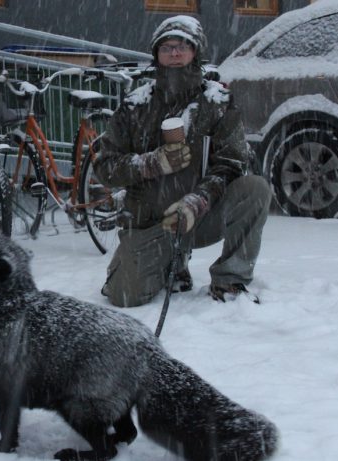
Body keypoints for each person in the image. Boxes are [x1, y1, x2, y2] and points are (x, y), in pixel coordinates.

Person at [94, 16, 270, 308]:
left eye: (182, 46)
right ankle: (172, 265)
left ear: (195, 52)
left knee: (255, 189)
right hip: (151, 221)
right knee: (124, 295)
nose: (174, 53)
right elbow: (105, 167)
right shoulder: (135, 105)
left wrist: (197, 201)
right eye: (166, 47)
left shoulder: (217, 103)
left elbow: (233, 163)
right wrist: (150, 163)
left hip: (202, 216)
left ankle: (230, 280)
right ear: (156, 54)